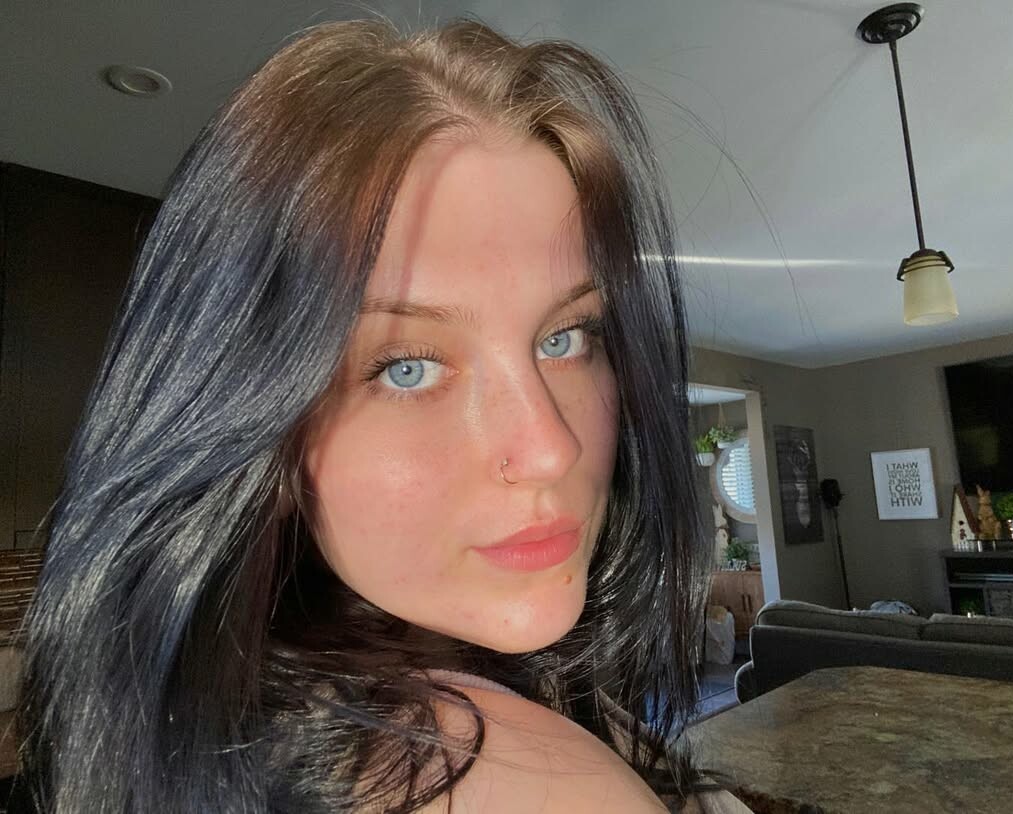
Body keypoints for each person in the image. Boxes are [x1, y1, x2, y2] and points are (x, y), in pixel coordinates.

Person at [13, 17, 746, 813]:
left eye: (565, 338)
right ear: (256, 428)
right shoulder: (512, 784)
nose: (549, 448)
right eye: (408, 368)